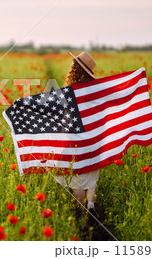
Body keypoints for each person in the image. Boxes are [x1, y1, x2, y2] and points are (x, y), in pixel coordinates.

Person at [56, 52, 99, 216]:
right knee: (91, 176)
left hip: (76, 142)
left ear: (74, 69)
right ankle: (91, 205)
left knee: (78, 182)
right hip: (93, 142)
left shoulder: (68, 92)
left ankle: (83, 216)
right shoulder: (96, 91)